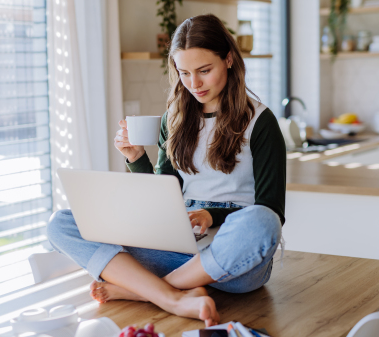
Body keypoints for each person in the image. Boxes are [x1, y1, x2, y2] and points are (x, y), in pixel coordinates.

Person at [47, 14, 286, 327]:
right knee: (61, 224)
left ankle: (146, 290)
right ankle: (171, 296)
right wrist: (135, 158)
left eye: (204, 71)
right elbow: (162, 197)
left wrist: (212, 216)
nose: (194, 83)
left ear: (228, 59)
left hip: (232, 259)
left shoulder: (260, 122)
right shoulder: (173, 119)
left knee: (262, 222)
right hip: (177, 247)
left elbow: (272, 210)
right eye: (184, 72)